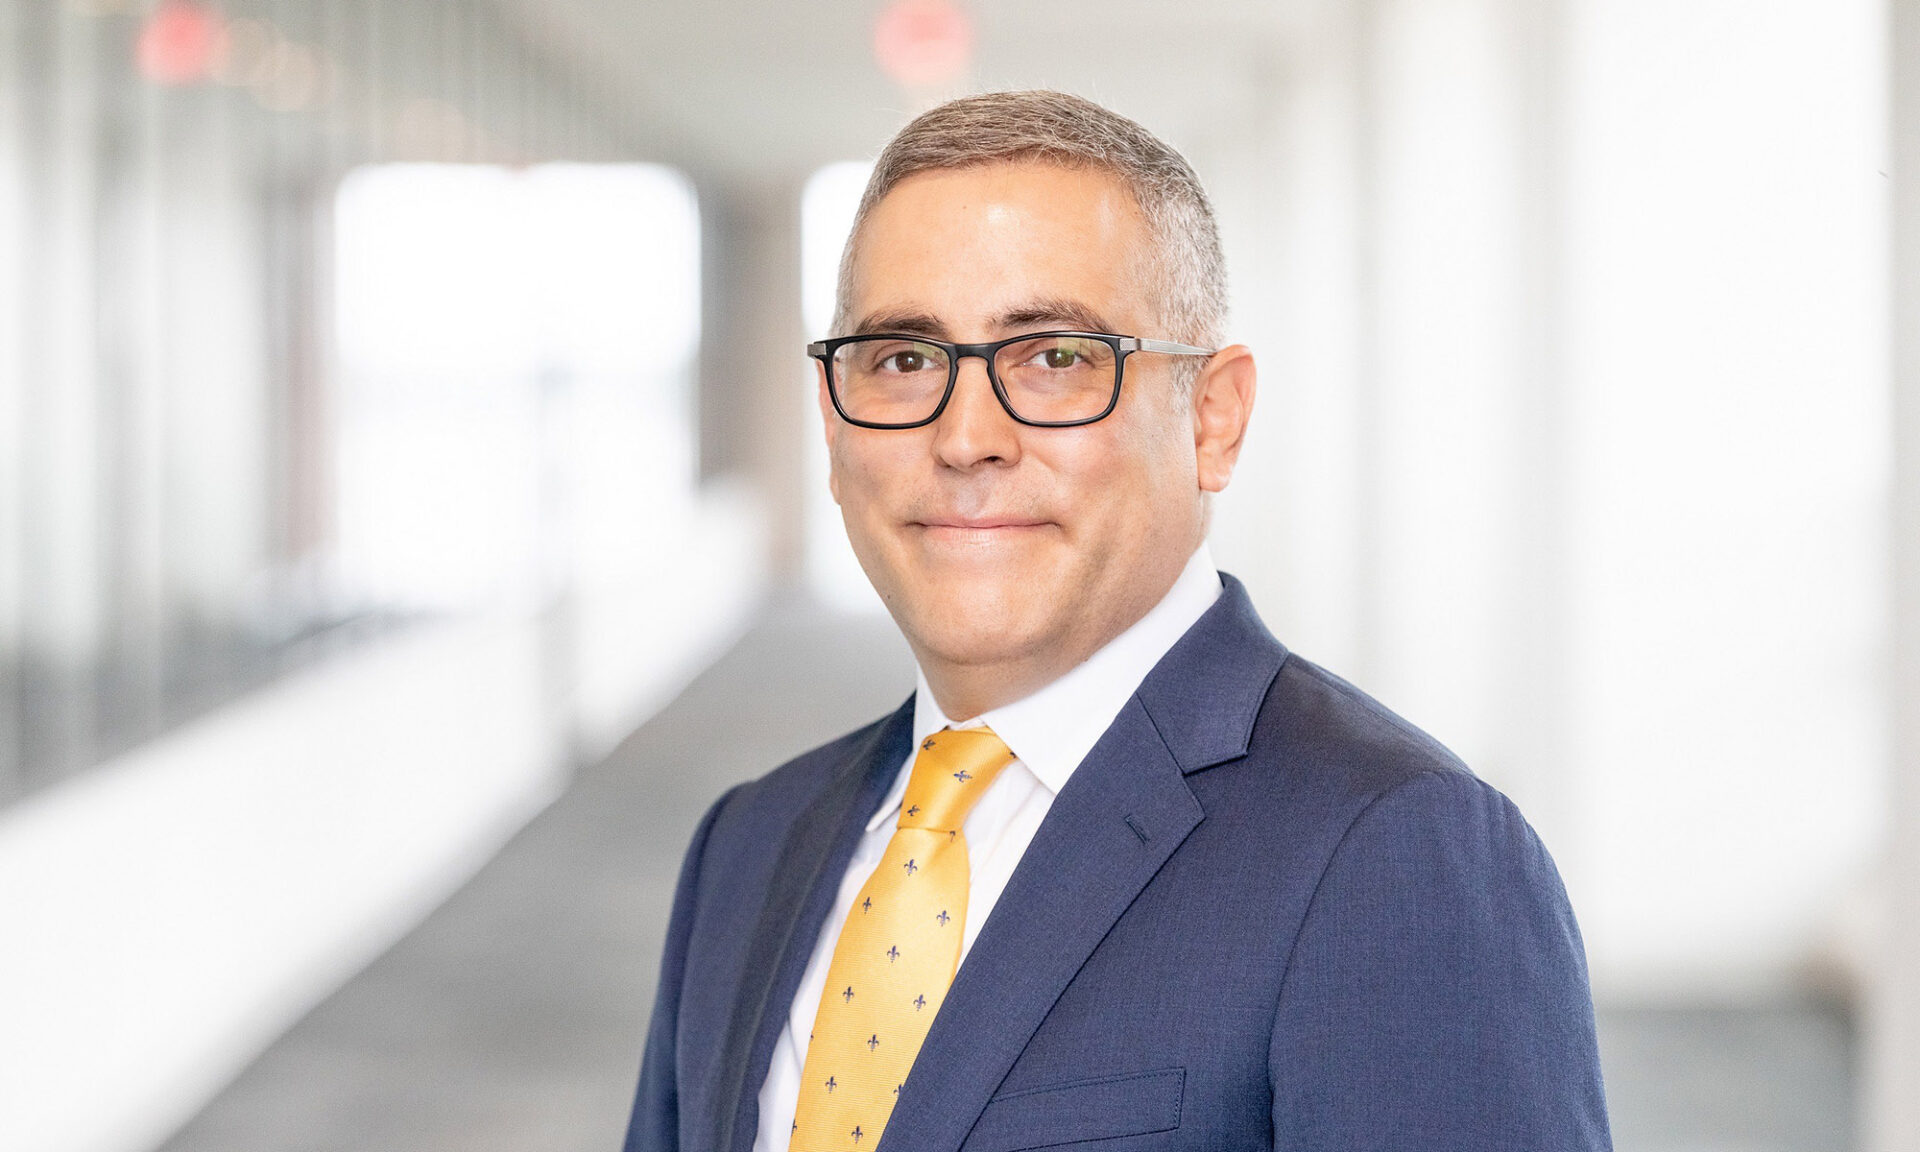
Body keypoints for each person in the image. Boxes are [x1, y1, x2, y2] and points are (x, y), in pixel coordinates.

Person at [624, 90, 1611, 1152]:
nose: (964, 440)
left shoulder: (1397, 854)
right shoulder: (751, 843)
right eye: (905, 359)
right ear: (833, 421)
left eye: (1054, 359)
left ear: (1214, 419)